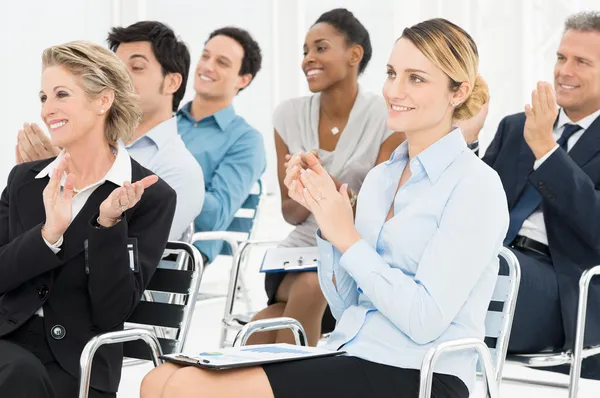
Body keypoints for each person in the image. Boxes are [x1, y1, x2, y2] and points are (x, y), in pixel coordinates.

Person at [139, 18, 508, 398]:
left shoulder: (475, 186)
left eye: (416, 78)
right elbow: (347, 303)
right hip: (352, 352)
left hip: (421, 373)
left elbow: (423, 319)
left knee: (189, 389)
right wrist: (326, 215)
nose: (394, 90)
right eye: (392, 73)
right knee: (160, 379)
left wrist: (346, 236)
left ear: (458, 92)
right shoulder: (382, 178)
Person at [0, 41, 175, 398]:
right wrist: (47, 235)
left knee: (20, 377)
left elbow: (111, 311)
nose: (49, 109)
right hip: (7, 342)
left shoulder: (150, 197)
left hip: (78, 363)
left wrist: (107, 225)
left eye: (61, 94)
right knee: (16, 373)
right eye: (44, 97)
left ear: (102, 101)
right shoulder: (24, 181)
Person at [250, 8, 405, 347]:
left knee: (269, 320)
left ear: (354, 54)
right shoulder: (288, 115)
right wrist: (304, 187)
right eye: (305, 51)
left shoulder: (386, 117)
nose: (308, 59)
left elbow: (375, 212)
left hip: (353, 256)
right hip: (296, 256)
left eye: (320, 48)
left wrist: (324, 183)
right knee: (306, 286)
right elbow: (291, 213)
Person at [458, 10, 600, 379]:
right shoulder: (515, 126)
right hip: (490, 260)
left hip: (561, 286)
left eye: (581, 61)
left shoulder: (536, 133)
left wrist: (548, 152)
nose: (564, 71)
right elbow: (468, 207)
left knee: (473, 276)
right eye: (561, 57)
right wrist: (469, 140)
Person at [16, 21, 204, 241]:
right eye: (115, 67)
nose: (120, 77)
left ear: (172, 82)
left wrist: (60, 179)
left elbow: (133, 259)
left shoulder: (180, 170)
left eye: (136, 68)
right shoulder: (84, 144)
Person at [177, 27, 266, 264]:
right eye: (205, 56)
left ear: (243, 79)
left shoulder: (246, 140)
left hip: (182, 251)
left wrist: (164, 172)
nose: (207, 66)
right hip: (128, 236)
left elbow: (214, 216)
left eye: (222, 63)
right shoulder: (166, 122)